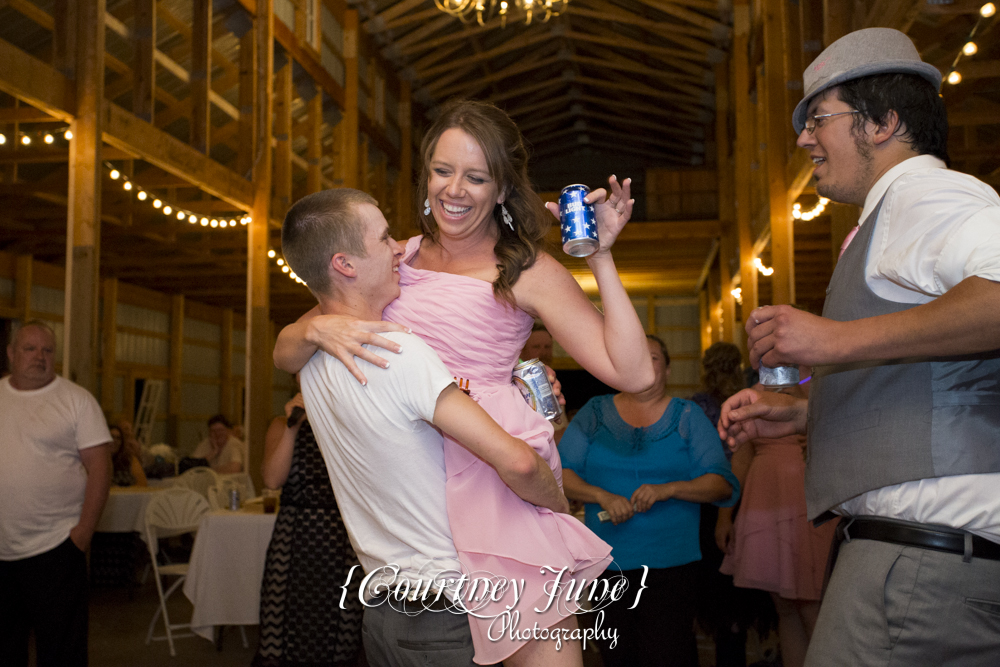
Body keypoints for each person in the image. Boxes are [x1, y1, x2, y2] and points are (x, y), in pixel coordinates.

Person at [274, 100, 653, 663]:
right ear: (426, 177)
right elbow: (285, 352)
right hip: (417, 497)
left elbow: (635, 373)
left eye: (476, 177)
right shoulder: (395, 259)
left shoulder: (525, 269)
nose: (455, 189)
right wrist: (321, 327)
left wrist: (599, 259)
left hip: (499, 481)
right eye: (443, 170)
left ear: (501, 189)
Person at [718, 28, 1000, 666]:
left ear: (883, 124)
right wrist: (811, 413)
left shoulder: (928, 195)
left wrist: (834, 340)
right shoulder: (892, 213)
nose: (803, 138)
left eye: (819, 117)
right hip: (916, 559)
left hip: (921, 566)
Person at [558, 335, 739, 667]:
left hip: (672, 565)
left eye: (653, 357)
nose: (642, 362)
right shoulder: (594, 412)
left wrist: (668, 489)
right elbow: (560, 473)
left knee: (668, 654)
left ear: (668, 370)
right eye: (634, 355)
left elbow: (721, 484)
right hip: (607, 565)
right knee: (617, 656)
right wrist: (601, 495)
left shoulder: (688, 416)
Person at [0, 320, 112, 666]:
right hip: (2, 552)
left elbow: (100, 468)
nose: (39, 357)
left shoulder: (76, 401)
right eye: (30, 349)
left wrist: (82, 534)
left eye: (47, 350)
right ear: (11, 354)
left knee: (62, 652)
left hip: (56, 548)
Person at [716, 375, 836, 667]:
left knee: (812, 606)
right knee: (784, 608)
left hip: (808, 500)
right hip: (765, 500)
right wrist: (724, 516)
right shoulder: (754, 394)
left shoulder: (826, 381)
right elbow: (741, 458)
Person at [253, 392, 363, 667]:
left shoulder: (353, 423)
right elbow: (271, 479)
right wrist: (293, 428)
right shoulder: (282, 423)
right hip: (293, 541)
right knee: (282, 631)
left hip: (342, 541)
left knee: (340, 634)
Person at [688, 342, 755, 667]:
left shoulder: (695, 407)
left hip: (708, 501)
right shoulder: (750, 402)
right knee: (736, 585)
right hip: (748, 497)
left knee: (715, 584)